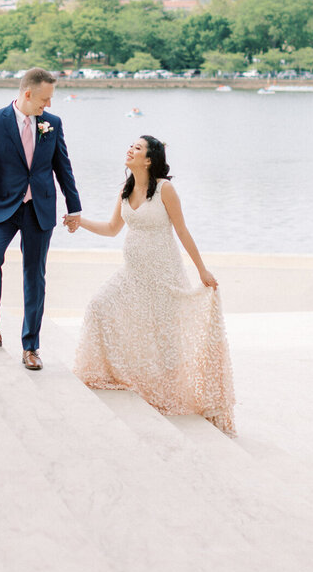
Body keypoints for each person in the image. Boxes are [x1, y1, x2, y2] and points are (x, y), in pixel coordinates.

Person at [68, 135, 235, 437]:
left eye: (138, 148)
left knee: (164, 338)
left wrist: (202, 270)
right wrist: (80, 222)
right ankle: (113, 372)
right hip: (132, 275)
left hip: (163, 275)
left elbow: (182, 231)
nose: (130, 149)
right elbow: (111, 229)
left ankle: (168, 393)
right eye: (131, 145)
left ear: (148, 160)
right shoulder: (126, 189)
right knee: (98, 306)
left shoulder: (165, 190)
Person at [0, 68, 82, 370]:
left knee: (34, 275)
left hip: (39, 208)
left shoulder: (52, 124)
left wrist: (74, 208)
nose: (48, 105)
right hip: (2, 207)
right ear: (28, 94)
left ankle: (31, 346)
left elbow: (62, 167)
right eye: (45, 98)